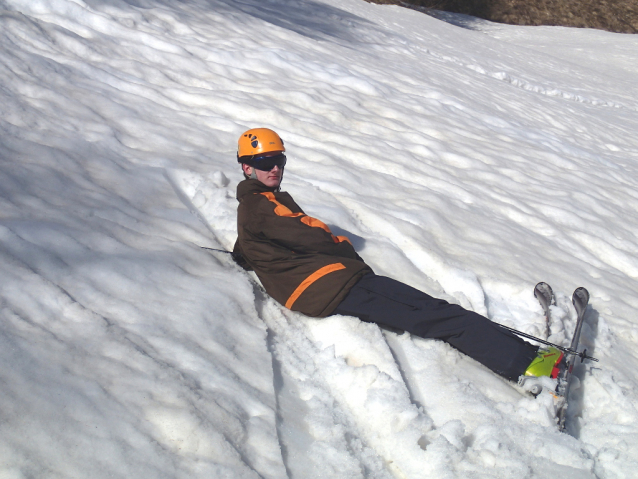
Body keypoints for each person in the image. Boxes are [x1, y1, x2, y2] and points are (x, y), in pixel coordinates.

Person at [232, 128, 563, 382]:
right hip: (333, 285)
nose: (274, 168)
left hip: (321, 286)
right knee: (437, 314)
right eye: (264, 162)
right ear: (247, 168)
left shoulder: (255, 206)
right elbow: (317, 236)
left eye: (279, 160)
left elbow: (246, 247)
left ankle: (523, 356)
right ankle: (529, 364)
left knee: (431, 311)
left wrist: (251, 256)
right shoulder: (263, 207)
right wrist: (342, 246)